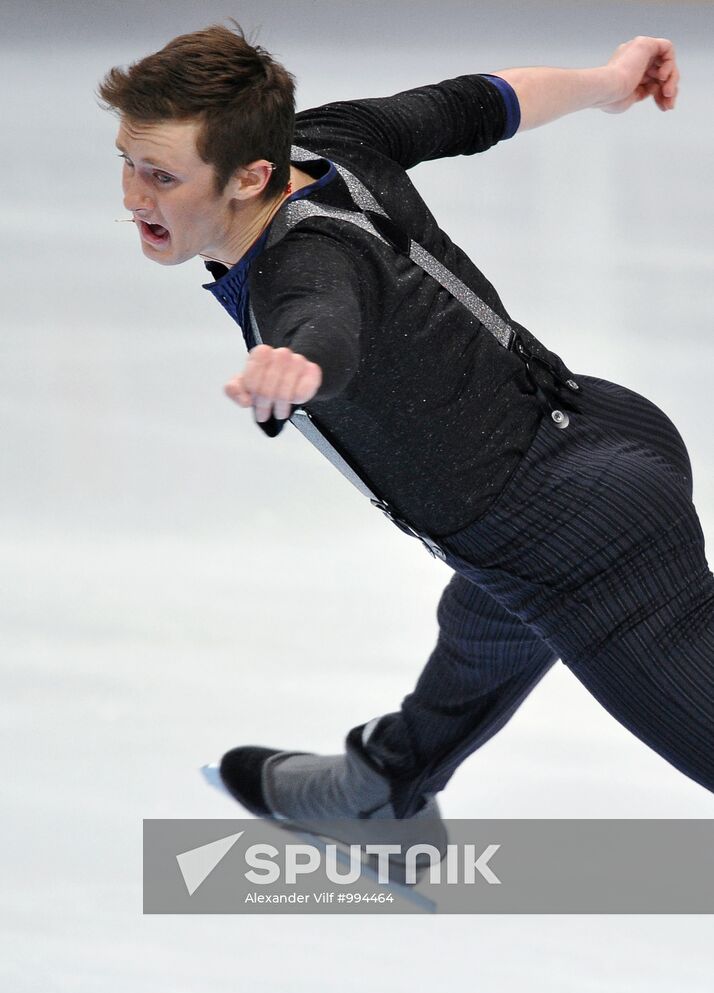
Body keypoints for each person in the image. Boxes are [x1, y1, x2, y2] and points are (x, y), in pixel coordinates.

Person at [99, 24, 712, 832]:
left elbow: (325, 315)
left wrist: (297, 361)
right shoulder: (327, 141)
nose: (134, 196)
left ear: (250, 176)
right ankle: (385, 784)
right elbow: (481, 103)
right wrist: (608, 80)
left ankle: (382, 788)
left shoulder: (295, 268)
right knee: (482, 626)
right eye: (127, 161)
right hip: (596, 439)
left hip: (579, 538)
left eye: (161, 175)